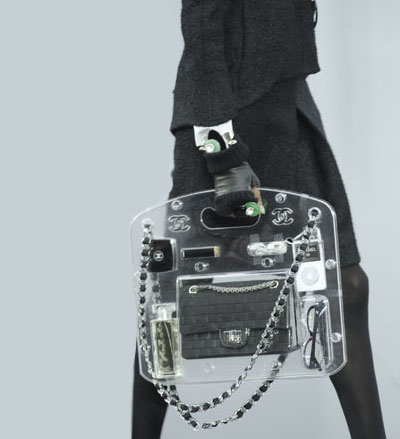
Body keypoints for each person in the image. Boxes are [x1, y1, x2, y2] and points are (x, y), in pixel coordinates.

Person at [131, 1, 387, 438]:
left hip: (288, 108)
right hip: (232, 124)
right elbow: (202, 30)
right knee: (168, 300)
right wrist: (223, 154)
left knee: (347, 286)